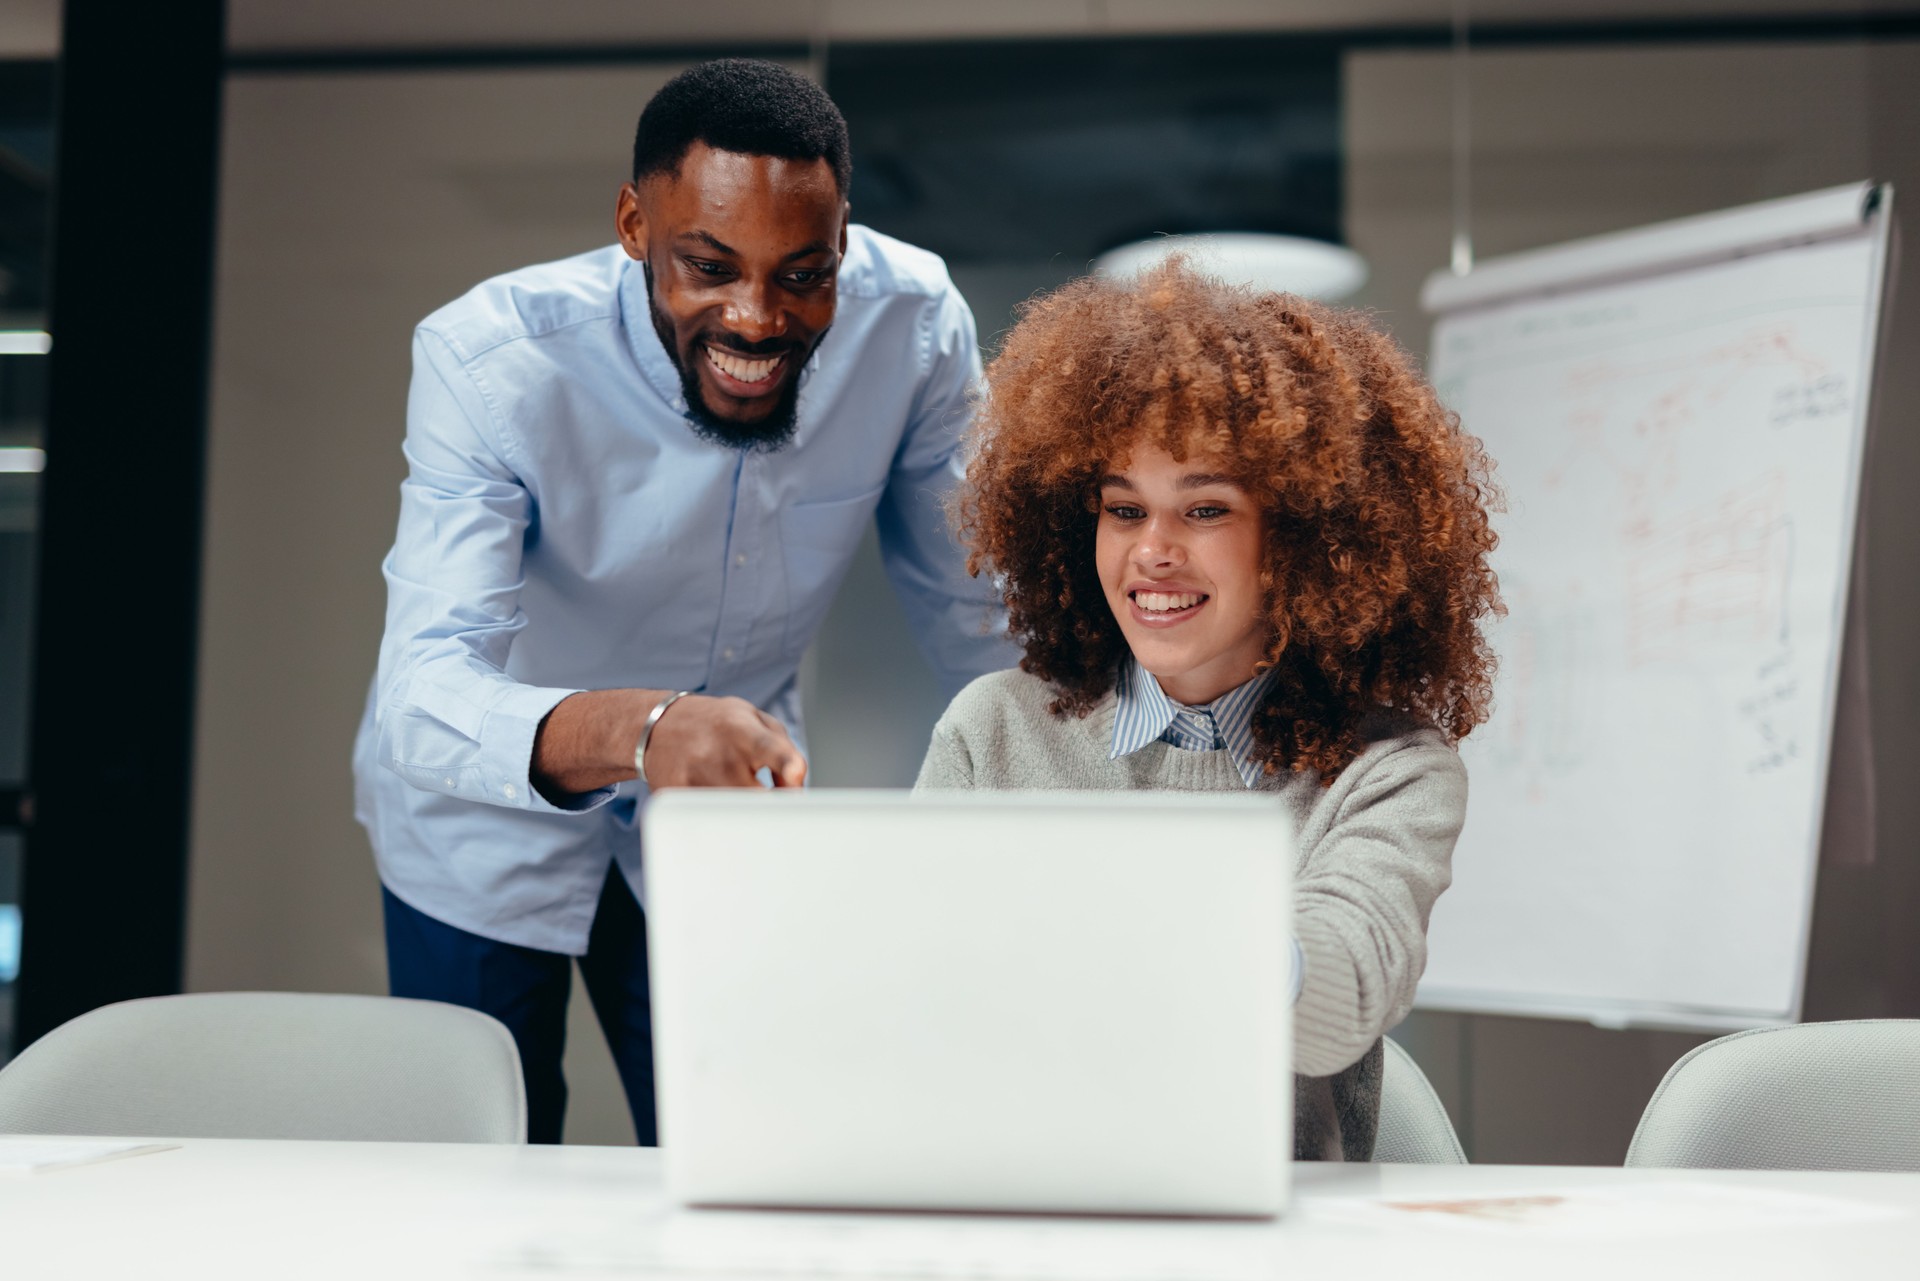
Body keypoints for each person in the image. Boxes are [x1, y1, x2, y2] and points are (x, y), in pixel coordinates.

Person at [354, 60, 1015, 1145]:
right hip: (482, 813)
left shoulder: (913, 326)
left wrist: (1085, 805)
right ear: (631, 223)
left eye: (804, 275)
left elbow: (979, 610)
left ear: (844, 238)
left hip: (723, 811)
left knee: (746, 1150)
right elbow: (421, 699)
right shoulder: (491, 360)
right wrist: (649, 728)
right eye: (708, 267)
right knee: (475, 1172)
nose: (756, 320)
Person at [916, 261, 1503, 1160]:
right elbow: (915, 996)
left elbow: (1340, 991)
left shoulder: (1388, 770)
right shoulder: (992, 730)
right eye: (1123, 507)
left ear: (1305, 536)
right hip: (1017, 1208)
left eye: (1204, 507)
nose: (1153, 550)